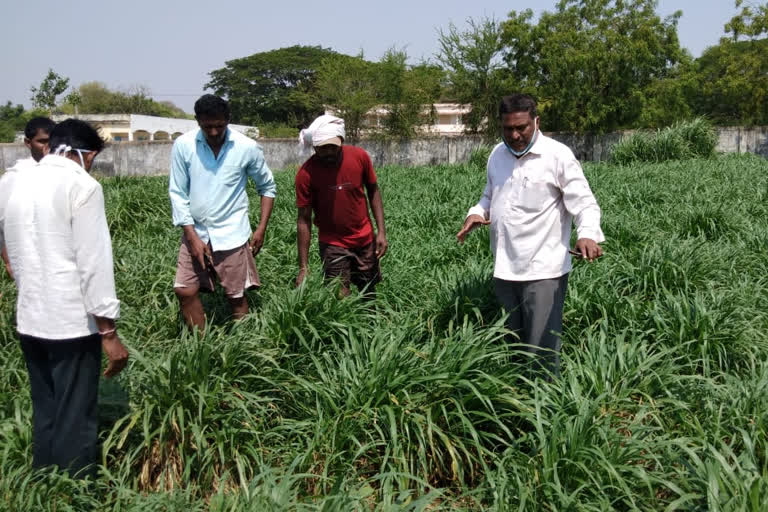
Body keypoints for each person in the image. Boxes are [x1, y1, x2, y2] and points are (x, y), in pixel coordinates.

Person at [0, 119, 129, 477]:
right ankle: (77, 492)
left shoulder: (16, 184)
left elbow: (11, 249)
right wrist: (109, 333)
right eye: (92, 158)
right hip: (71, 323)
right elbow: (94, 265)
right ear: (81, 154)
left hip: (29, 319)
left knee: (47, 410)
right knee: (77, 415)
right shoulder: (82, 186)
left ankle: (44, 486)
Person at [456, 94, 604, 377]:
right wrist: (477, 212)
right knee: (512, 345)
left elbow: (584, 201)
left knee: (542, 349)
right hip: (504, 267)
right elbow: (490, 194)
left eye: (521, 127)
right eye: (508, 128)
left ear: (536, 122)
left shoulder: (557, 155)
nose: (514, 135)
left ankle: (546, 405)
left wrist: (587, 234)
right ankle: (516, 398)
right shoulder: (497, 154)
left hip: (543, 269)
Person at [169, 94, 276, 330]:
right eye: (208, 127)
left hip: (232, 233)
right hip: (194, 232)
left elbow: (267, 187)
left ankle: (242, 349)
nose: (214, 132)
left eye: (219, 125)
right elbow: (177, 193)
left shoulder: (246, 147)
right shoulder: (184, 145)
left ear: (228, 119)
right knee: (184, 290)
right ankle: (200, 349)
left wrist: (261, 228)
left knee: (235, 296)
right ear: (197, 121)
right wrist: (193, 237)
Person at [295, 115, 388, 297]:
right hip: (332, 243)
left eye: (333, 147)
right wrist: (303, 267)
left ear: (342, 141)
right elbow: (303, 220)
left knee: (368, 291)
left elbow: (374, 192)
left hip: (364, 238)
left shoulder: (359, 157)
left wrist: (381, 232)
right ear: (314, 147)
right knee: (339, 295)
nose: (329, 152)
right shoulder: (306, 174)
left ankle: (371, 324)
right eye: (323, 148)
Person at [1, 116, 56, 280]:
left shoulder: (61, 172)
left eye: (52, 141)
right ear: (27, 142)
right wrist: (9, 261)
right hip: (29, 261)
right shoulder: (16, 176)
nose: (48, 147)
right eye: (42, 141)